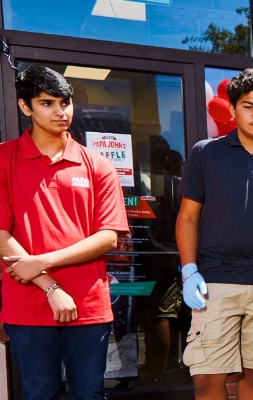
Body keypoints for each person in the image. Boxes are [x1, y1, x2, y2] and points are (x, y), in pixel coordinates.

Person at [0, 65, 129, 400]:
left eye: (65, 102)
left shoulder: (97, 164)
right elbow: (1, 235)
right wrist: (50, 285)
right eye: (47, 103)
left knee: (89, 393)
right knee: (39, 394)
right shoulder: (4, 159)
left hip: (88, 305)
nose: (60, 111)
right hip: (27, 304)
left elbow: (109, 236)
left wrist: (41, 261)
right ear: (25, 107)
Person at [176, 68, 253, 400]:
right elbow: (188, 217)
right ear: (234, 109)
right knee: (207, 377)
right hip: (216, 281)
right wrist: (189, 269)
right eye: (248, 106)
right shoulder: (206, 153)